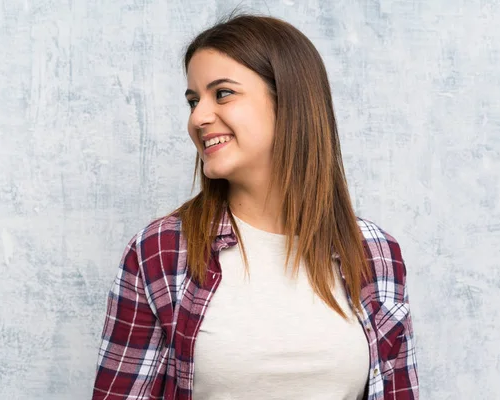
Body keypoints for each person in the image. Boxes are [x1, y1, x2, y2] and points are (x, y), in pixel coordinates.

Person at [91, 13, 419, 400]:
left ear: (290, 100)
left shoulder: (376, 253)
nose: (198, 117)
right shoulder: (161, 251)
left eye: (223, 93)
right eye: (193, 101)